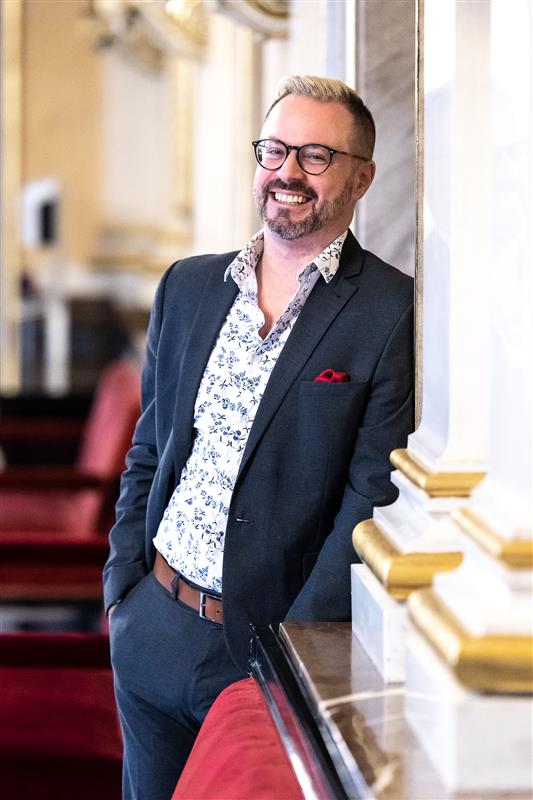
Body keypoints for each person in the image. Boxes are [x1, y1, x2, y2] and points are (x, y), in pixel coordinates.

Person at [104, 75, 414, 800]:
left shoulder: (391, 310)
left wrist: (289, 655)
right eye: (274, 150)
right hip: (152, 622)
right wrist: (122, 588)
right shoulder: (187, 287)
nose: (286, 172)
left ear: (362, 177)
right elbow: (149, 449)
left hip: (263, 651)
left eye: (315, 155)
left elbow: (369, 499)